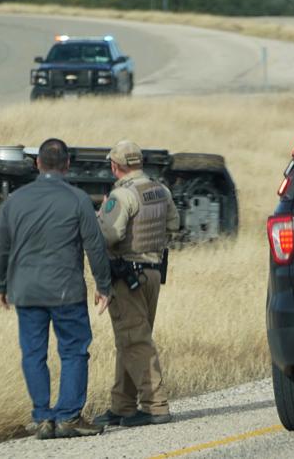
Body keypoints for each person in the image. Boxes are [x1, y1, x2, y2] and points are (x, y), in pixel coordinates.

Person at [0, 138, 113, 440]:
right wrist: (104, 284)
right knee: (73, 351)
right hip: (65, 291)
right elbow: (94, 245)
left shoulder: (15, 201)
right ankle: (69, 417)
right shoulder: (77, 199)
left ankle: (43, 418)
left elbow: (0, 248)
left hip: (26, 291)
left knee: (33, 353)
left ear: (37, 164)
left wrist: (1, 284)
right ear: (67, 164)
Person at [93, 140, 180, 427]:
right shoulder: (160, 190)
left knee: (134, 340)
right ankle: (123, 405)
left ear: (115, 166)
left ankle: (156, 405)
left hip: (126, 275)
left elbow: (109, 236)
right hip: (152, 273)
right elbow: (173, 225)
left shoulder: (122, 195)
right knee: (130, 341)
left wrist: (100, 216)